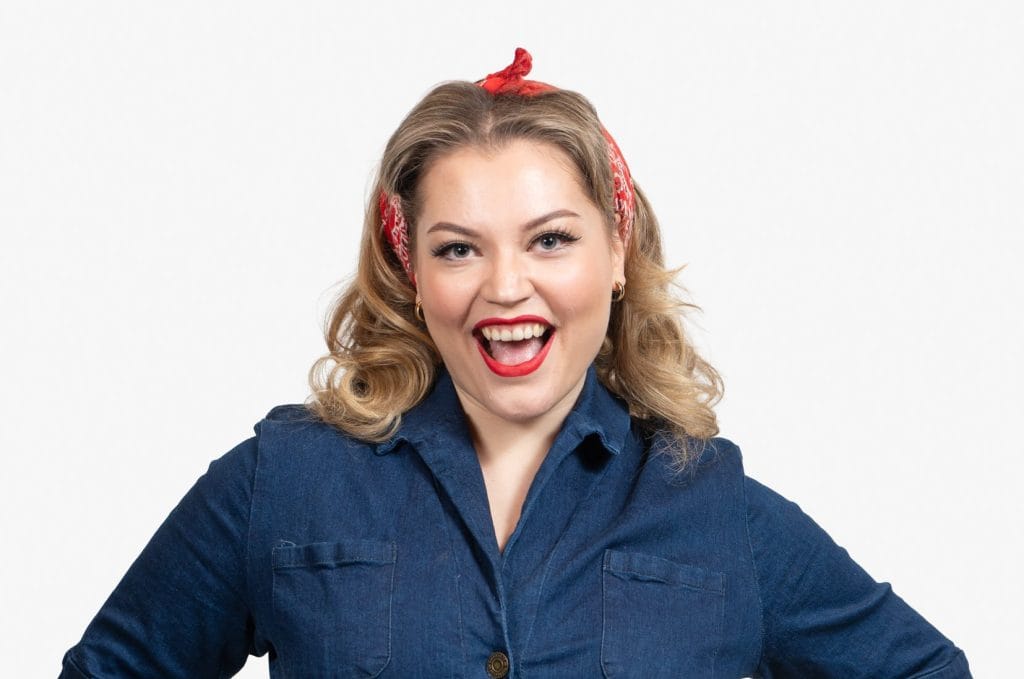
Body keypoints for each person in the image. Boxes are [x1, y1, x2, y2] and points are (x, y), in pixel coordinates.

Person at [60, 48, 971, 678]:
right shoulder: (281, 480)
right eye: (459, 249)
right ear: (411, 272)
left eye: (550, 240)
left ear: (616, 256)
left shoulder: (712, 508)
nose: (506, 286)